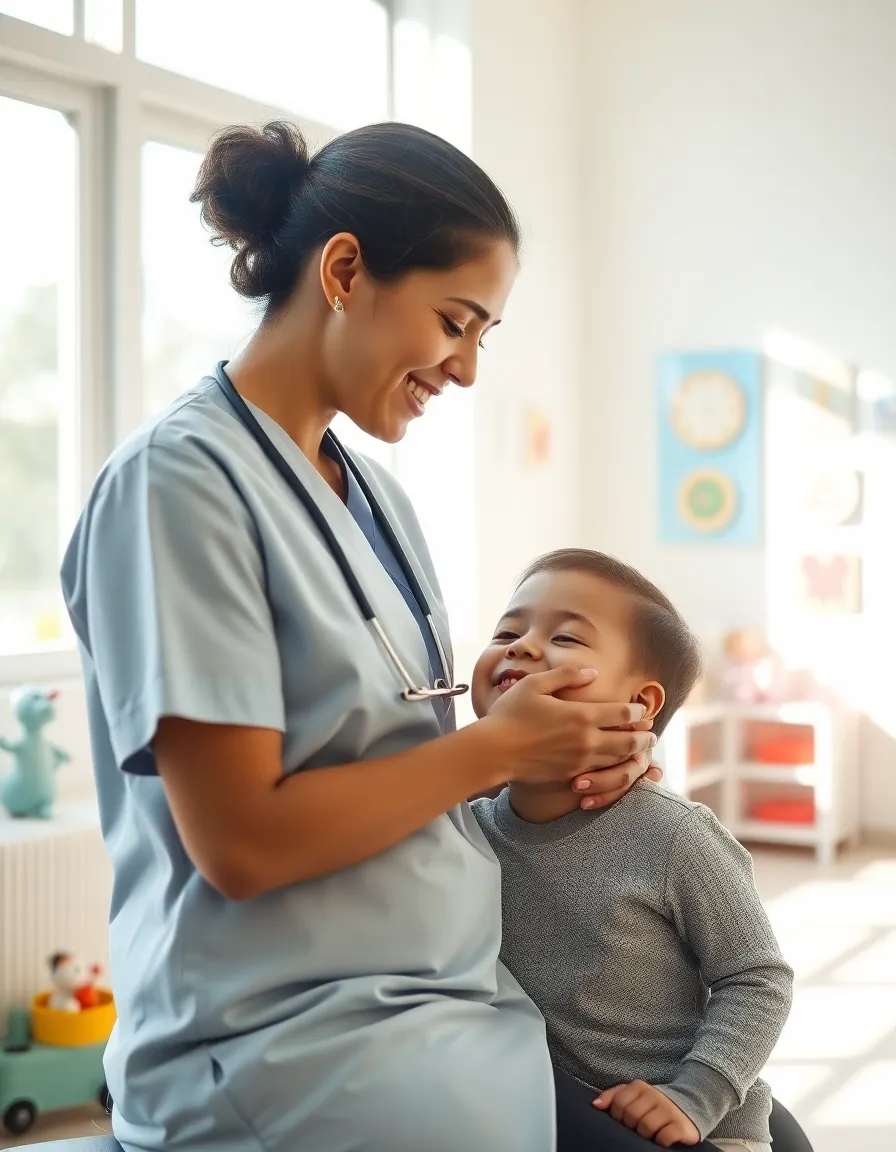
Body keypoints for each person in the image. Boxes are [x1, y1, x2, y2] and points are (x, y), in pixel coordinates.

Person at [59, 119, 812, 1152]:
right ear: (343, 270)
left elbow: (407, 753)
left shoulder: (375, 497)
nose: (462, 370)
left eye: (481, 338)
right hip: (300, 1041)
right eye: (453, 322)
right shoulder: (178, 486)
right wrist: (499, 750)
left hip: (454, 1001)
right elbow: (241, 842)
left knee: (771, 1121)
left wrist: (582, 751)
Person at [473, 549, 796, 1152]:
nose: (521, 646)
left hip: (702, 1127)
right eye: (508, 631)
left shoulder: (675, 836)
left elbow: (758, 977)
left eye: (565, 637)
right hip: (568, 1116)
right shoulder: (466, 827)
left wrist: (694, 1098)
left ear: (639, 706)